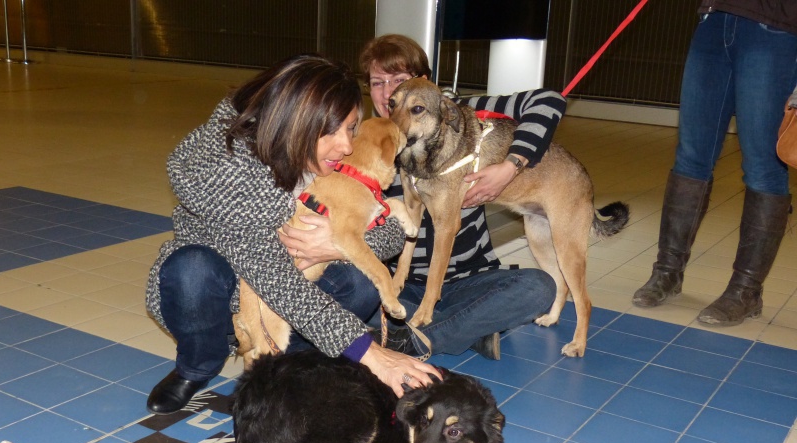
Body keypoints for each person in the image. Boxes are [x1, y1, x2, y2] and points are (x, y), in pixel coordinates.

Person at [145, 54, 441, 415]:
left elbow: (389, 233)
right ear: (295, 122)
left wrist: (333, 244)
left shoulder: (312, 151)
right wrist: (370, 353)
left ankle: (293, 365)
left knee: (358, 284)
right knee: (190, 268)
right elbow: (276, 279)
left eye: (351, 128)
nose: (346, 146)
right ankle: (197, 365)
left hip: (288, 289)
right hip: (226, 293)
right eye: (333, 131)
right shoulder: (228, 173)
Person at [285, 34, 565, 360]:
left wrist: (511, 166)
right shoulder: (358, 140)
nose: (391, 94)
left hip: (470, 280)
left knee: (538, 288)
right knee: (355, 290)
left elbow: (548, 101)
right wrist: (334, 239)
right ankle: (460, 331)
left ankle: (413, 338)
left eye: (400, 81)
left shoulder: (461, 112)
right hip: (401, 286)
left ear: (424, 83)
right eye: (379, 83)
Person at [633, 2, 797, 327]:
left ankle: (746, 291)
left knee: (763, 166)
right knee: (691, 156)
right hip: (714, 19)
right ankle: (667, 272)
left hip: (775, 26)